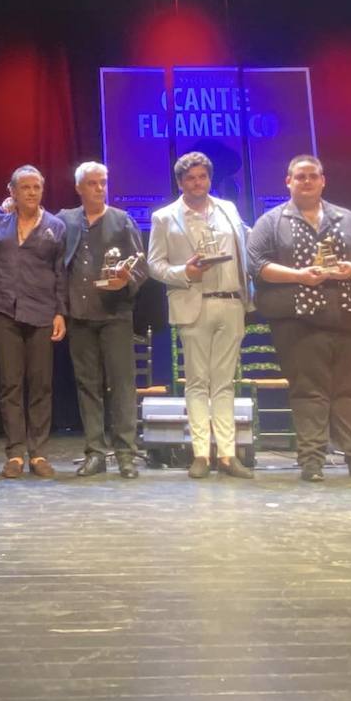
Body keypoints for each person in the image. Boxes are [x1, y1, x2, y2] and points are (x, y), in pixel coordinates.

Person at [246, 155, 351, 483]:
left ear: (323, 180)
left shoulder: (347, 219)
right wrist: (298, 275)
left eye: (313, 176)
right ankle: (311, 461)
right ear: (288, 182)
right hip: (299, 322)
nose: (306, 182)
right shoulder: (272, 221)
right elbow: (257, 266)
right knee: (309, 392)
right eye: (300, 177)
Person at [148, 151, 255, 479]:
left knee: (224, 383)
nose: (198, 183)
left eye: (203, 177)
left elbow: (249, 244)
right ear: (180, 182)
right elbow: (155, 265)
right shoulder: (164, 217)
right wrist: (185, 272)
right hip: (193, 302)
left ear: (210, 179)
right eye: (190, 178)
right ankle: (199, 454)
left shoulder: (229, 209)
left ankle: (226, 454)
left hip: (230, 302)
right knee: (197, 382)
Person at [60, 161, 147, 479]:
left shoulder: (122, 221)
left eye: (103, 182)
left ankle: (125, 454)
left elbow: (140, 266)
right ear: (79, 188)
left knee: (122, 385)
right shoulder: (65, 220)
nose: (100, 188)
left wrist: (126, 279)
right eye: (93, 183)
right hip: (80, 316)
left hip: (115, 315)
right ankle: (95, 452)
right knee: (88, 387)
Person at [0, 165, 67, 478]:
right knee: (10, 385)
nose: (32, 193)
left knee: (41, 385)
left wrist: (61, 312)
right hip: (5, 310)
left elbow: (61, 273)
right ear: (12, 191)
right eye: (25, 188)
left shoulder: (55, 226)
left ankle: (39, 453)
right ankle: (15, 452)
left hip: (43, 312)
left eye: (36, 187)